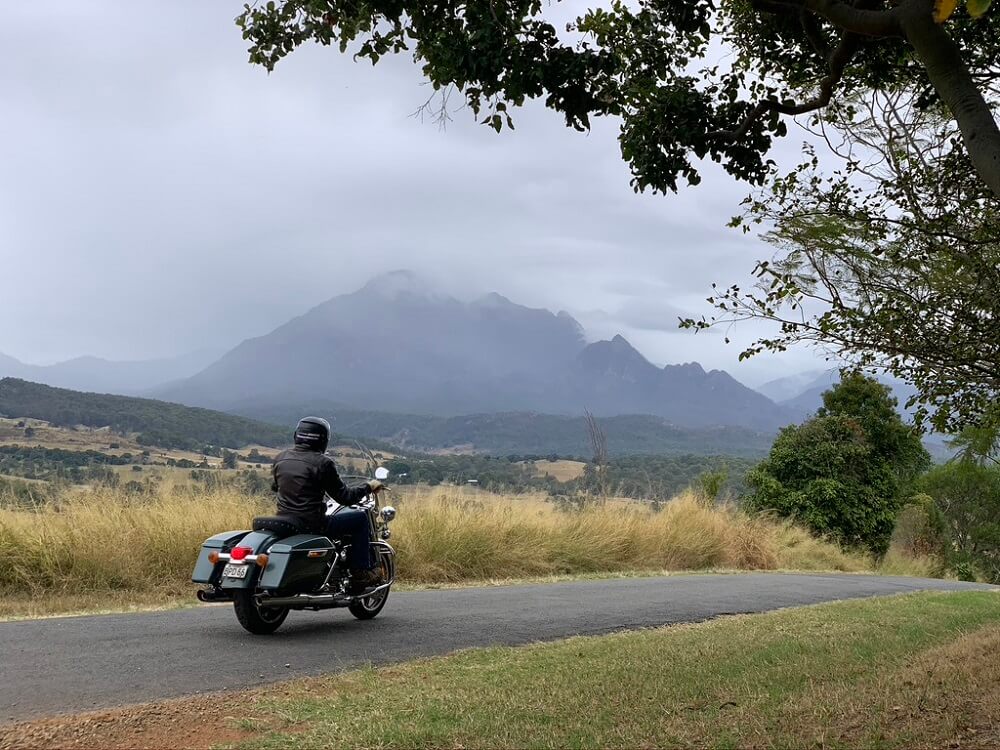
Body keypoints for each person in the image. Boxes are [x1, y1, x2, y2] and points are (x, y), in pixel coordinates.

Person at [271, 416, 386, 592]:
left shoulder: (280, 458)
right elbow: (345, 497)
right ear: (323, 440)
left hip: (285, 520)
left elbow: (275, 487)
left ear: (297, 435)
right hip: (313, 523)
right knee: (360, 519)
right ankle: (360, 572)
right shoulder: (323, 463)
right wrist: (368, 487)